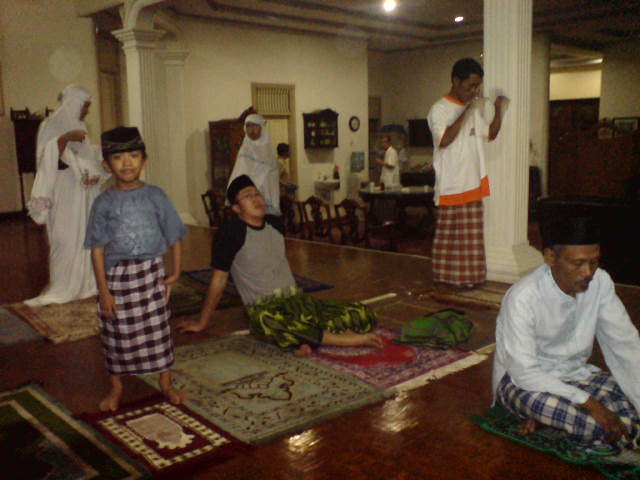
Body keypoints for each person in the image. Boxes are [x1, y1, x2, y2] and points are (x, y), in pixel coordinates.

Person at [177, 174, 383, 356]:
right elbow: (219, 279)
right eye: (247, 196)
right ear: (236, 208)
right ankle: (346, 340)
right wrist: (202, 322)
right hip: (266, 309)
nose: (256, 199)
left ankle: (305, 339)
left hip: (297, 302)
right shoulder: (230, 232)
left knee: (362, 313)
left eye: (257, 194)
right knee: (267, 323)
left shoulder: (275, 224)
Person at [493, 216, 640, 448]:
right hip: (522, 383)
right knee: (595, 425)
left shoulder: (600, 282)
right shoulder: (523, 297)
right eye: (577, 263)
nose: (588, 272)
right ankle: (558, 418)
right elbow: (523, 372)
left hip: (578, 376)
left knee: (628, 405)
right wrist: (588, 402)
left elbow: (625, 346)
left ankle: (552, 421)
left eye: (594, 262)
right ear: (551, 257)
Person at [85, 126, 187, 411]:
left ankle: (166, 383)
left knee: (158, 331)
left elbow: (174, 235)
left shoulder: (156, 196)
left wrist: (175, 274)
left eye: (133, 156)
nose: (127, 163)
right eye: (118, 158)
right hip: (117, 279)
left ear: (144, 160)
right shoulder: (103, 203)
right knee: (117, 334)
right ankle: (117, 387)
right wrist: (104, 291)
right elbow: (97, 249)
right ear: (107, 165)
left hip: (151, 274)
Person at [427, 58, 508, 288]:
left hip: (473, 182)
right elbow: (444, 140)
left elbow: (490, 134)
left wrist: (499, 110)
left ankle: (470, 280)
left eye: (477, 87)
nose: (474, 91)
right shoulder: (439, 109)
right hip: (451, 184)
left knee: (471, 240)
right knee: (450, 239)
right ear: (455, 81)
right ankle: (446, 280)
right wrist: (467, 110)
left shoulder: (472, 111)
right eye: (470, 86)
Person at [25, 84, 109, 306]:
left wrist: (94, 169)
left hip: (83, 194)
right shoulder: (50, 125)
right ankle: (62, 286)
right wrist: (64, 139)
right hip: (62, 194)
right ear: (74, 103)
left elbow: (85, 155)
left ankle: (86, 283)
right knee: (63, 239)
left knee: (85, 237)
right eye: (85, 106)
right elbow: (46, 156)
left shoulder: (80, 126)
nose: (87, 110)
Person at [227, 113, 280, 215]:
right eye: (248, 126)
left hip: (266, 196)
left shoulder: (268, 150)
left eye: (254, 125)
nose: (251, 129)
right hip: (246, 196)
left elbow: (271, 176)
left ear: (261, 127)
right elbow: (239, 172)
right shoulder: (245, 148)